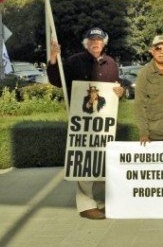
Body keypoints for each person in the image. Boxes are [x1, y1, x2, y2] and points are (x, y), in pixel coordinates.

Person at [47, 27, 124, 220]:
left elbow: (117, 87)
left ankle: (101, 202)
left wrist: (121, 92)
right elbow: (57, 80)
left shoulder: (111, 64)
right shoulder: (74, 61)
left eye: (99, 40)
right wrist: (54, 58)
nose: (95, 43)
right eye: (92, 41)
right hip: (82, 121)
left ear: (104, 43)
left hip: (104, 122)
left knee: (103, 160)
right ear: (86, 43)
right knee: (84, 160)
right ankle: (86, 205)